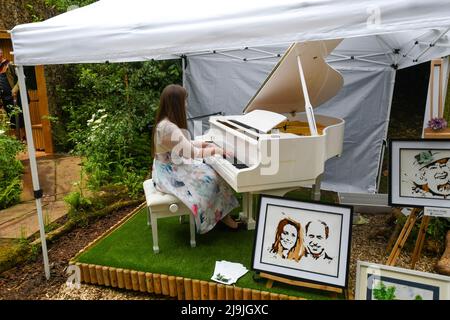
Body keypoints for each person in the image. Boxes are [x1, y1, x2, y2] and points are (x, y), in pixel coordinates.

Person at [151, 84, 240, 234]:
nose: (186, 104)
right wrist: (218, 150)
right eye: (185, 101)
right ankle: (215, 217)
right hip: (170, 176)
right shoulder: (168, 127)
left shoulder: (165, 123)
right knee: (212, 179)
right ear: (177, 103)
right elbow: (192, 153)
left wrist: (203, 144)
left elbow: (181, 144)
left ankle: (221, 214)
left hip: (166, 169)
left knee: (212, 174)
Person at [0, 49, 24, 136]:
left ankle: (23, 138)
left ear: (1, 54)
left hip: (14, 96)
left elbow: (22, 77)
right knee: (11, 118)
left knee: (19, 116)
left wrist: (15, 89)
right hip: (4, 97)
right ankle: (16, 139)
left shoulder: (10, 64)